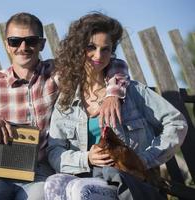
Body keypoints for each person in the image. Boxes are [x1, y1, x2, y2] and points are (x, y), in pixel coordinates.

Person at [0, 12, 130, 200]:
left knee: (42, 195)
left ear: (42, 44)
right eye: (15, 41)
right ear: (7, 45)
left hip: (39, 173)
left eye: (31, 41)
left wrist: (113, 93)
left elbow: (110, 62)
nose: (23, 47)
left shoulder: (58, 72)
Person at [44, 12, 188, 200]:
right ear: (78, 49)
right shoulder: (67, 99)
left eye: (105, 49)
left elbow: (176, 123)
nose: (98, 55)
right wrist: (86, 158)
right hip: (84, 175)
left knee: (81, 190)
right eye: (91, 47)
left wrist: (142, 160)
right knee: (53, 184)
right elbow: (55, 151)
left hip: (126, 183)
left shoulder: (131, 92)